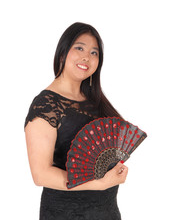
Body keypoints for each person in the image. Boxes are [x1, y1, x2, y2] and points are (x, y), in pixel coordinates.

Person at [24, 22, 128, 220]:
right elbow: (41, 174)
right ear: (63, 52)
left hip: (107, 212)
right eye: (79, 48)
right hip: (65, 214)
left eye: (94, 52)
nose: (86, 57)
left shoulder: (96, 101)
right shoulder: (46, 104)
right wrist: (98, 183)